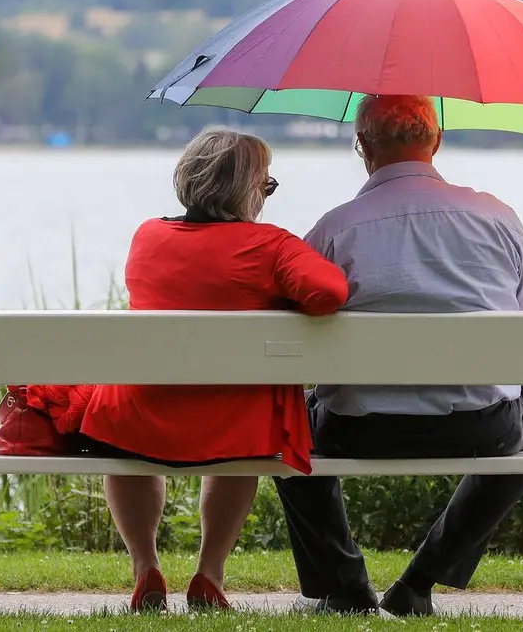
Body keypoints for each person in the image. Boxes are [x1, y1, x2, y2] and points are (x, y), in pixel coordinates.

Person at [274, 94, 523, 618]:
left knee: (286, 429)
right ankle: (419, 582)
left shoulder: (335, 228)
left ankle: (345, 587)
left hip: (357, 428)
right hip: (479, 426)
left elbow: (286, 326)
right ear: (436, 141)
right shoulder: (497, 218)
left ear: (362, 145)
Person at [77, 127, 349, 613]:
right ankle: (209, 572)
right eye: (266, 185)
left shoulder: (148, 237)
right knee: (238, 427)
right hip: (230, 427)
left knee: (128, 423)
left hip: (138, 419)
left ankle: (145, 567)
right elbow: (329, 292)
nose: (266, 197)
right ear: (246, 189)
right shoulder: (271, 246)